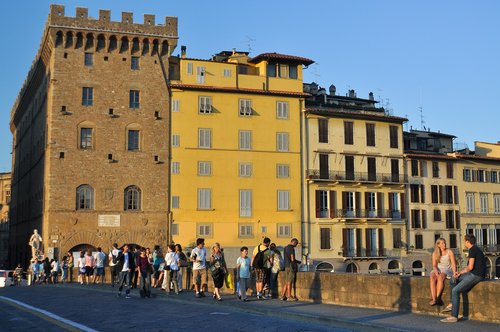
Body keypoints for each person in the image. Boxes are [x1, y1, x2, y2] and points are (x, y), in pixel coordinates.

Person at [441, 234, 486, 323]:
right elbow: (470, 268)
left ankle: (454, 316)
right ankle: (452, 303)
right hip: (472, 274)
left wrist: (460, 272)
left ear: (467, 242)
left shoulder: (473, 250)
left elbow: (470, 267)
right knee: (453, 278)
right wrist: (458, 273)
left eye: (464, 240)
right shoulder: (475, 249)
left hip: (476, 275)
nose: (464, 242)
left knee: (455, 291)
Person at [429, 238, 456, 305]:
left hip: (447, 269)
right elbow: (434, 265)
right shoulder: (435, 253)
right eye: (442, 243)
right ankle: (434, 298)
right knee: (432, 277)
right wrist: (436, 271)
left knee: (441, 277)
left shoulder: (449, 252)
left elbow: (453, 264)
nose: (444, 244)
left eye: (444, 243)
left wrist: (454, 273)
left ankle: (437, 298)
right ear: (438, 245)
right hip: (438, 269)